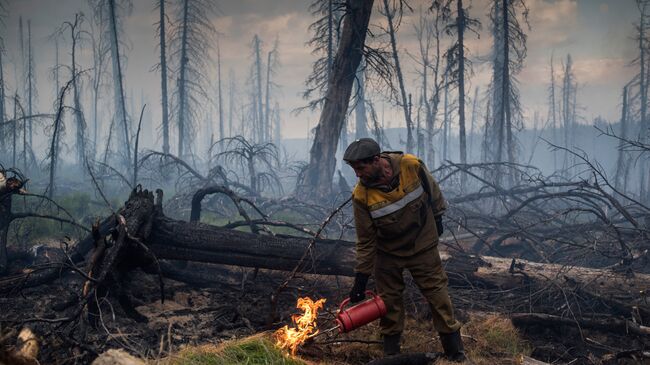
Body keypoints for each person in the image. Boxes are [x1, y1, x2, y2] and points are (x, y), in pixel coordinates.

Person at [343, 138, 465, 361]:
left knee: (438, 296)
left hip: (422, 244)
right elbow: (366, 241)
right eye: (354, 169)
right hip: (387, 254)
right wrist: (360, 279)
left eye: (361, 168)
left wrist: (438, 218)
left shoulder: (411, 165)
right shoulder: (361, 195)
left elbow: (434, 192)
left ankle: (455, 353)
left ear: (376, 160)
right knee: (389, 302)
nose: (358, 174)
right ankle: (391, 356)